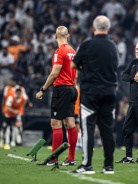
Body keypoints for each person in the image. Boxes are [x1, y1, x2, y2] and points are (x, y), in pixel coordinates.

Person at [71, 15, 118, 174]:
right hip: (109, 92)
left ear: (93, 27)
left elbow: (73, 64)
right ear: (108, 28)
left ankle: (87, 165)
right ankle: (109, 166)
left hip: (90, 93)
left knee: (88, 129)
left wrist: (85, 67)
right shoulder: (113, 46)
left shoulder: (87, 45)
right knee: (107, 130)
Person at [35, 26, 78, 166]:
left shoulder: (60, 51)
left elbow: (54, 73)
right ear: (68, 36)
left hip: (61, 89)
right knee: (70, 123)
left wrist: (42, 90)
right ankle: (71, 159)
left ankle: (53, 159)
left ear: (55, 36)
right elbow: (76, 72)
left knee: (55, 124)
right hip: (72, 88)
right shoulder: (73, 51)